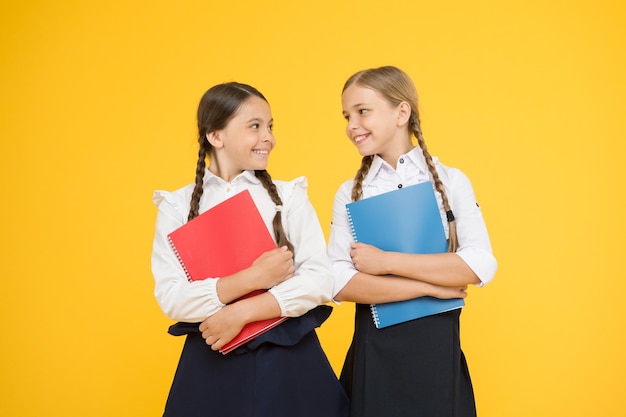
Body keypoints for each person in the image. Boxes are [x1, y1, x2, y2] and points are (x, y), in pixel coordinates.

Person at [151, 82, 349, 417]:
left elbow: (320, 279)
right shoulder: (177, 206)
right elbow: (171, 297)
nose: (268, 137)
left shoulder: (288, 197)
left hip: (290, 358)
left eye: (270, 126)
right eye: (254, 126)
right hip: (212, 361)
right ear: (216, 136)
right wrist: (253, 278)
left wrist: (241, 312)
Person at [327, 66, 498, 417]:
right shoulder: (350, 193)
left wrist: (386, 262)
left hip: (437, 352)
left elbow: (480, 264)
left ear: (401, 112)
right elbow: (338, 282)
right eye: (347, 116)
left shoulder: (450, 182)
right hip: (374, 353)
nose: (351, 126)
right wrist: (432, 288)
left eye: (362, 111)